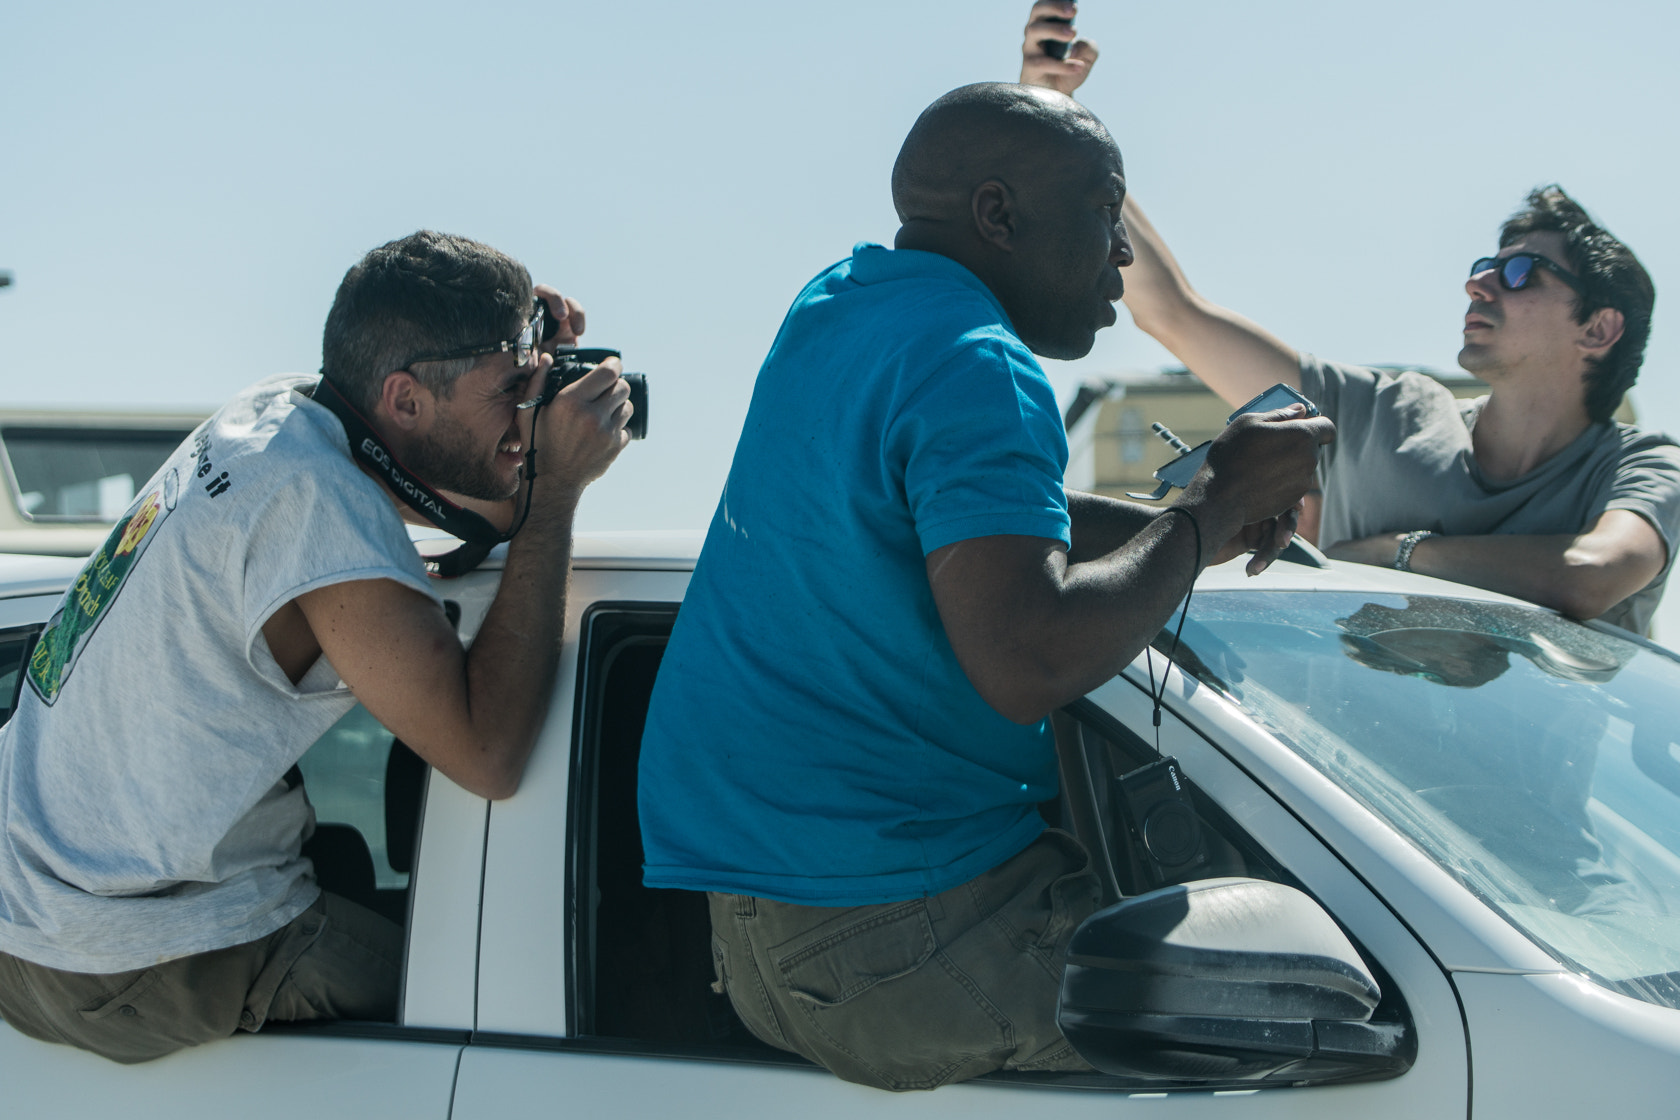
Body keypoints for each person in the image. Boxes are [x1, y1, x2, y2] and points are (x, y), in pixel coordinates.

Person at [636, 83, 1332, 1091]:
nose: (1123, 256)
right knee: (1315, 1034)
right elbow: (1029, 657)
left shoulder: (841, 307)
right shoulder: (976, 360)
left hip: (774, 933)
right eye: (1107, 211)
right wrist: (1211, 506)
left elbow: (970, 520)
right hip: (906, 936)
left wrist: (1179, 533)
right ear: (998, 214)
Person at [0, 231, 632, 1063]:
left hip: (32, 909)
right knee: (508, 1024)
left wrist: (518, 359)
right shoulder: (312, 509)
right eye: (514, 389)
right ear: (403, 400)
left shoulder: (280, 415)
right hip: (127, 952)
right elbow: (487, 755)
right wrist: (554, 498)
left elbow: (450, 500)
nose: (530, 414)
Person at [1016, 15, 1680, 635]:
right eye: (1485, 265)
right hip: (1314, 766)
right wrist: (1059, 127)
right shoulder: (1385, 412)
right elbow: (1172, 312)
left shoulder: (1642, 466)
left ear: (1598, 330)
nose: (1478, 282)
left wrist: (1396, 552)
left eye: (1520, 274)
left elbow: (1591, 573)